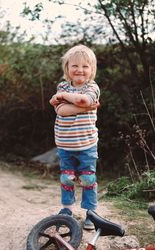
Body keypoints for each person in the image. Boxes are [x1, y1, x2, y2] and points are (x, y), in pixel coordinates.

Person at [49, 44, 100, 230]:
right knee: (66, 178)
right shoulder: (62, 85)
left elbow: (83, 99)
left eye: (85, 66)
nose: (80, 70)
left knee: (88, 179)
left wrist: (63, 97)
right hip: (64, 143)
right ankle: (67, 209)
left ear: (91, 69)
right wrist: (88, 107)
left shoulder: (92, 87)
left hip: (86, 143)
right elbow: (61, 110)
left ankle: (91, 214)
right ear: (67, 69)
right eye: (75, 66)